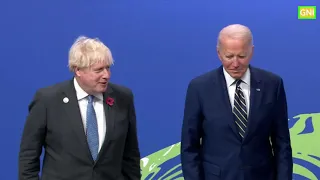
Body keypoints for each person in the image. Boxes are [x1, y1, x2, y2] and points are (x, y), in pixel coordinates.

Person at [18, 36, 141, 180]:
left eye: (108, 68)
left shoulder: (123, 98)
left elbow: (130, 155)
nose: (106, 75)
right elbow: (28, 156)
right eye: (98, 70)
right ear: (78, 70)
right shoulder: (48, 100)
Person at [180, 24, 293, 180]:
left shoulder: (272, 84)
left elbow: (282, 144)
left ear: (251, 51)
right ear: (218, 53)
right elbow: (189, 146)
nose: (235, 63)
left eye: (241, 56)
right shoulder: (199, 88)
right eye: (229, 56)